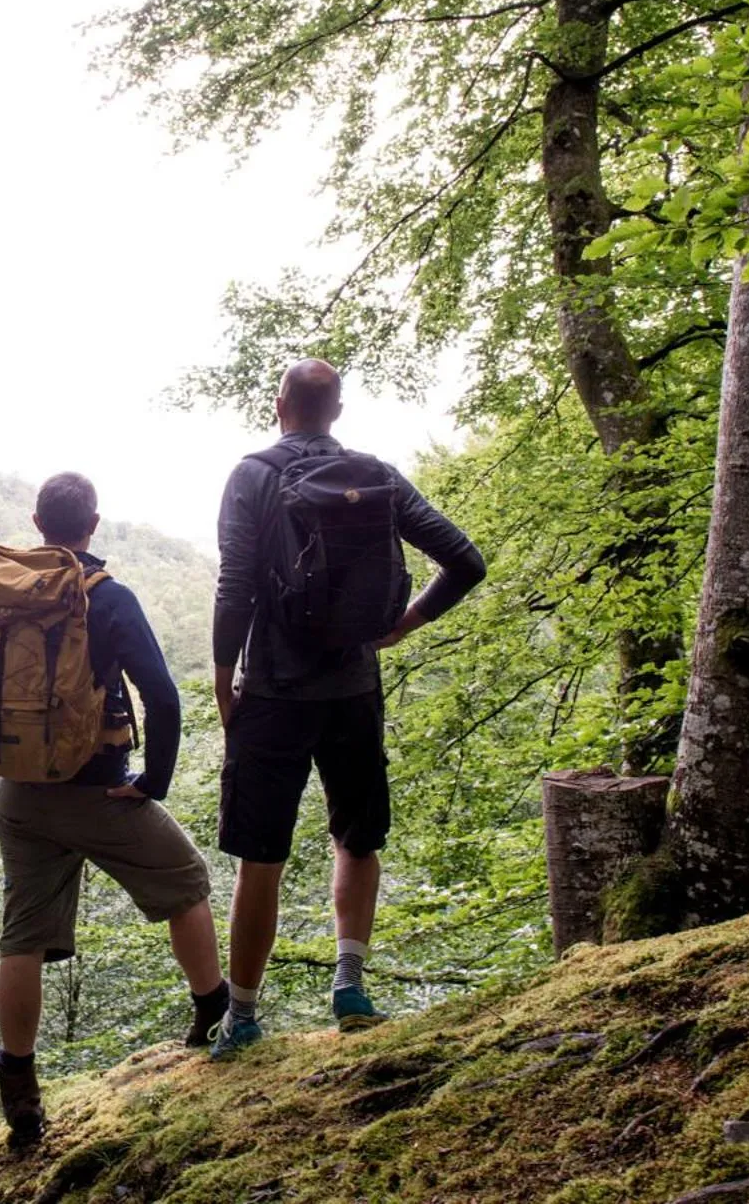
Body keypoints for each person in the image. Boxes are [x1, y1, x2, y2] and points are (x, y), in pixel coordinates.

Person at [0, 472, 227, 1149]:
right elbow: (164, 698)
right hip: (98, 791)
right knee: (187, 880)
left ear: (37, 520)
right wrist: (155, 781)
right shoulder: (106, 596)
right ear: (94, 524)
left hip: (20, 796)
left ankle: (21, 1092)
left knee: (23, 935)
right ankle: (215, 1015)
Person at [208, 360, 485, 1059]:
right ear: (336, 410)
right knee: (357, 836)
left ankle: (241, 1016)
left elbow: (236, 583)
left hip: (272, 690)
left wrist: (221, 676)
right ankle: (350, 987)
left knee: (259, 857)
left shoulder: (251, 475)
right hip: (354, 688)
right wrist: (405, 623)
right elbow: (465, 559)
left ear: (281, 406)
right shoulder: (379, 476)